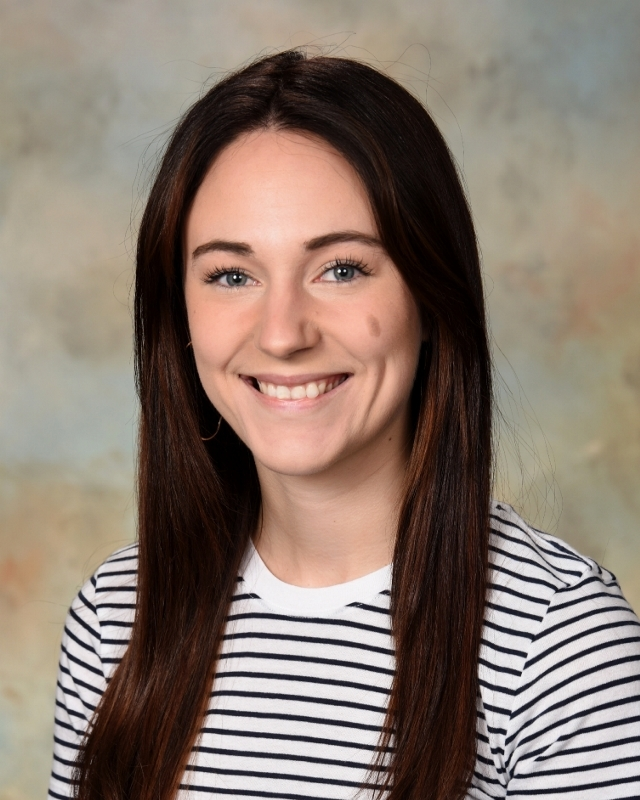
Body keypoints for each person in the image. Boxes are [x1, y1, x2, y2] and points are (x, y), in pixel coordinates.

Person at [48, 50, 640, 800]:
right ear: (180, 314)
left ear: (431, 295)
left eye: (342, 269)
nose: (282, 333)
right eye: (232, 275)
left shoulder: (559, 646)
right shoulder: (116, 618)